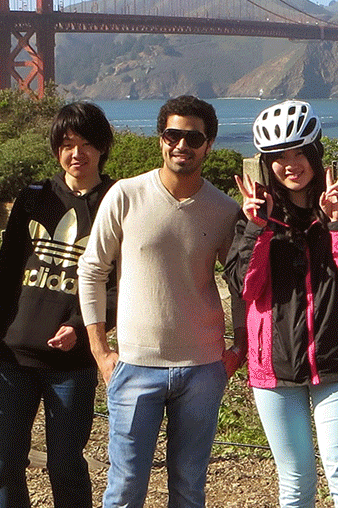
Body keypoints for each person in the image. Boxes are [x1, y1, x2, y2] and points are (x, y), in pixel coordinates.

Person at [78, 95, 243, 508]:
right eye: (173, 135)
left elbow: (243, 282)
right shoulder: (126, 194)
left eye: (193, 137)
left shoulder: (224, 209)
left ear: (209, 144)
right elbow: (92, 270)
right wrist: (100, 350)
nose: (182, 145)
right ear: (160, 140)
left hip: (203, 368)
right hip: (134, 366)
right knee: (125, 486)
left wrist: (239, 347)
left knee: (189, 487)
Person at [225, 101, 338, 508]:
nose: (291, 165)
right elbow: (245, 287)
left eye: (299, 153)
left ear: (315, 154)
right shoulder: (256, 216)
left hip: (337, 360)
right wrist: (257, 228)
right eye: (278, 157)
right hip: (273, 367)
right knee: (294, 483)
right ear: (266, 163)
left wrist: (336, 221)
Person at [0, 102, 116, 508]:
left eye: (87, 143)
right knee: (2, 462)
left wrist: (80, 326)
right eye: (67, 144)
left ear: (103, 148)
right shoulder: (34, 197)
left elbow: (120, 285)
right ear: (56, 149)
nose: (77, 153)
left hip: (72, 365)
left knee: (65, 466)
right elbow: (5, 272)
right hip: (14, 356)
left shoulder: (116, 200)